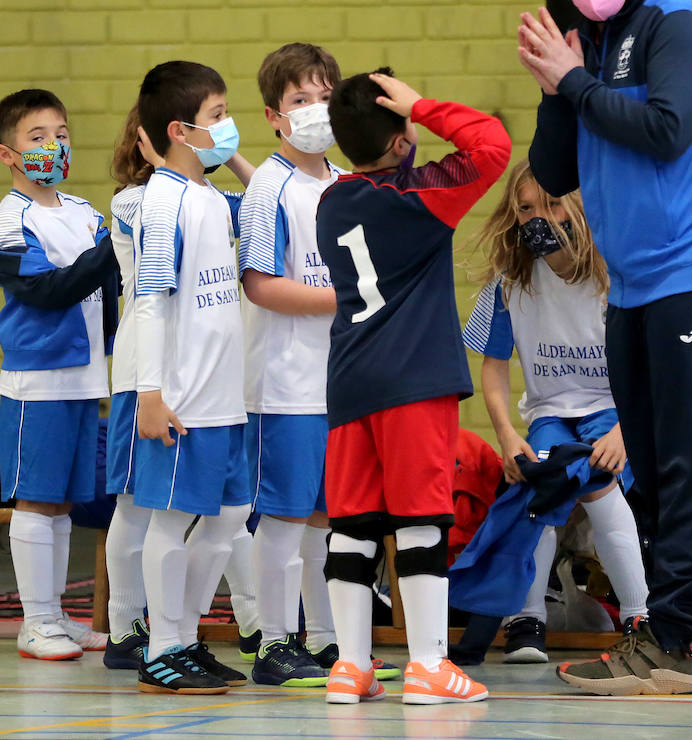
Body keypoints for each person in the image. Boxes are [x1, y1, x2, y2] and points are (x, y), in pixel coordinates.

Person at [520, 0, 692, 695]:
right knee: (655, 476)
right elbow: (554, 174)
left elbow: (667, 127)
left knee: (691, 468)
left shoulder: (676, 24)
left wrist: (580, 82)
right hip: (634, 288)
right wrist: (559, 85)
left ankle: (663, 641)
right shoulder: (583, 50)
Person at [317, 69, 510, 705]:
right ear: (401, 135)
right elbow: (492, 145)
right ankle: (428, 665)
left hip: (349, 383)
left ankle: (350, 667)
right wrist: (423, 106)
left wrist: (396, 125)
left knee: (352, 524)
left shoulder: (332, 200)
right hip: (412, 383)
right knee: (423, 521)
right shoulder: (422, 195)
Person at [461, 159, 655, 673]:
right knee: (536, 482)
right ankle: (527, 618)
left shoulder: (618, 273)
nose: (538, 217)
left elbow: (655, 369)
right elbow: (494, 366)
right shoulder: (510, 280)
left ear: (580, 207)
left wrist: (625, 433)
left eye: (551, 205)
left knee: (596, 482)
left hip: (616, 411)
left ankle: (639, 617)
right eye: (526, 208)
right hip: (550, 412)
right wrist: (505, 433)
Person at [0, 89, 117, 661]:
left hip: (88, 377)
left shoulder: (86, 213)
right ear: (7, 153)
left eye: (60, 134)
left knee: (62, 502)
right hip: (38, 381)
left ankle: (57, 615)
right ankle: (34, 622)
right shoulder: (7, 222)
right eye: (37, 138)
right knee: (35, 500)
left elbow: (109, 293)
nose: (53, 146)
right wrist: (115, 247)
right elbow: (49, 289)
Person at [131, 61, 251, 695]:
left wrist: (225, 159)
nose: (229, 127)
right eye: (217, 117)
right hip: (182, 398)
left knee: (233, 514)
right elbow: (150, 300)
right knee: (171, 520)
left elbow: (266, 200)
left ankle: (182, 633)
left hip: (226, 395)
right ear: (181, 129)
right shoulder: (163, 200)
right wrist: (150, 395)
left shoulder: (206, 195)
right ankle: (161, 647)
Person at [237, 42, 344, 688]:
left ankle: (328, 639)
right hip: (283, 382)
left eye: (324, 96)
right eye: (301, 100)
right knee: (282, 514)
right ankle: (273, 642)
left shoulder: (343, 184)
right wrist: (342, 299)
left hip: (335, 379)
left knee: (324, 517)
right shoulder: (270, 188)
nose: (315, 110)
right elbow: (260, 283)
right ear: (276, 117)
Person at [101, 105, 163, 671]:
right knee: (135, 504)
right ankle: (125, 626)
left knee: (219, 508)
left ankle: (253, 623)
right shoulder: (134, 202)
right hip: (142, 375)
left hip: (198, 375)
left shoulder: (209, 199)